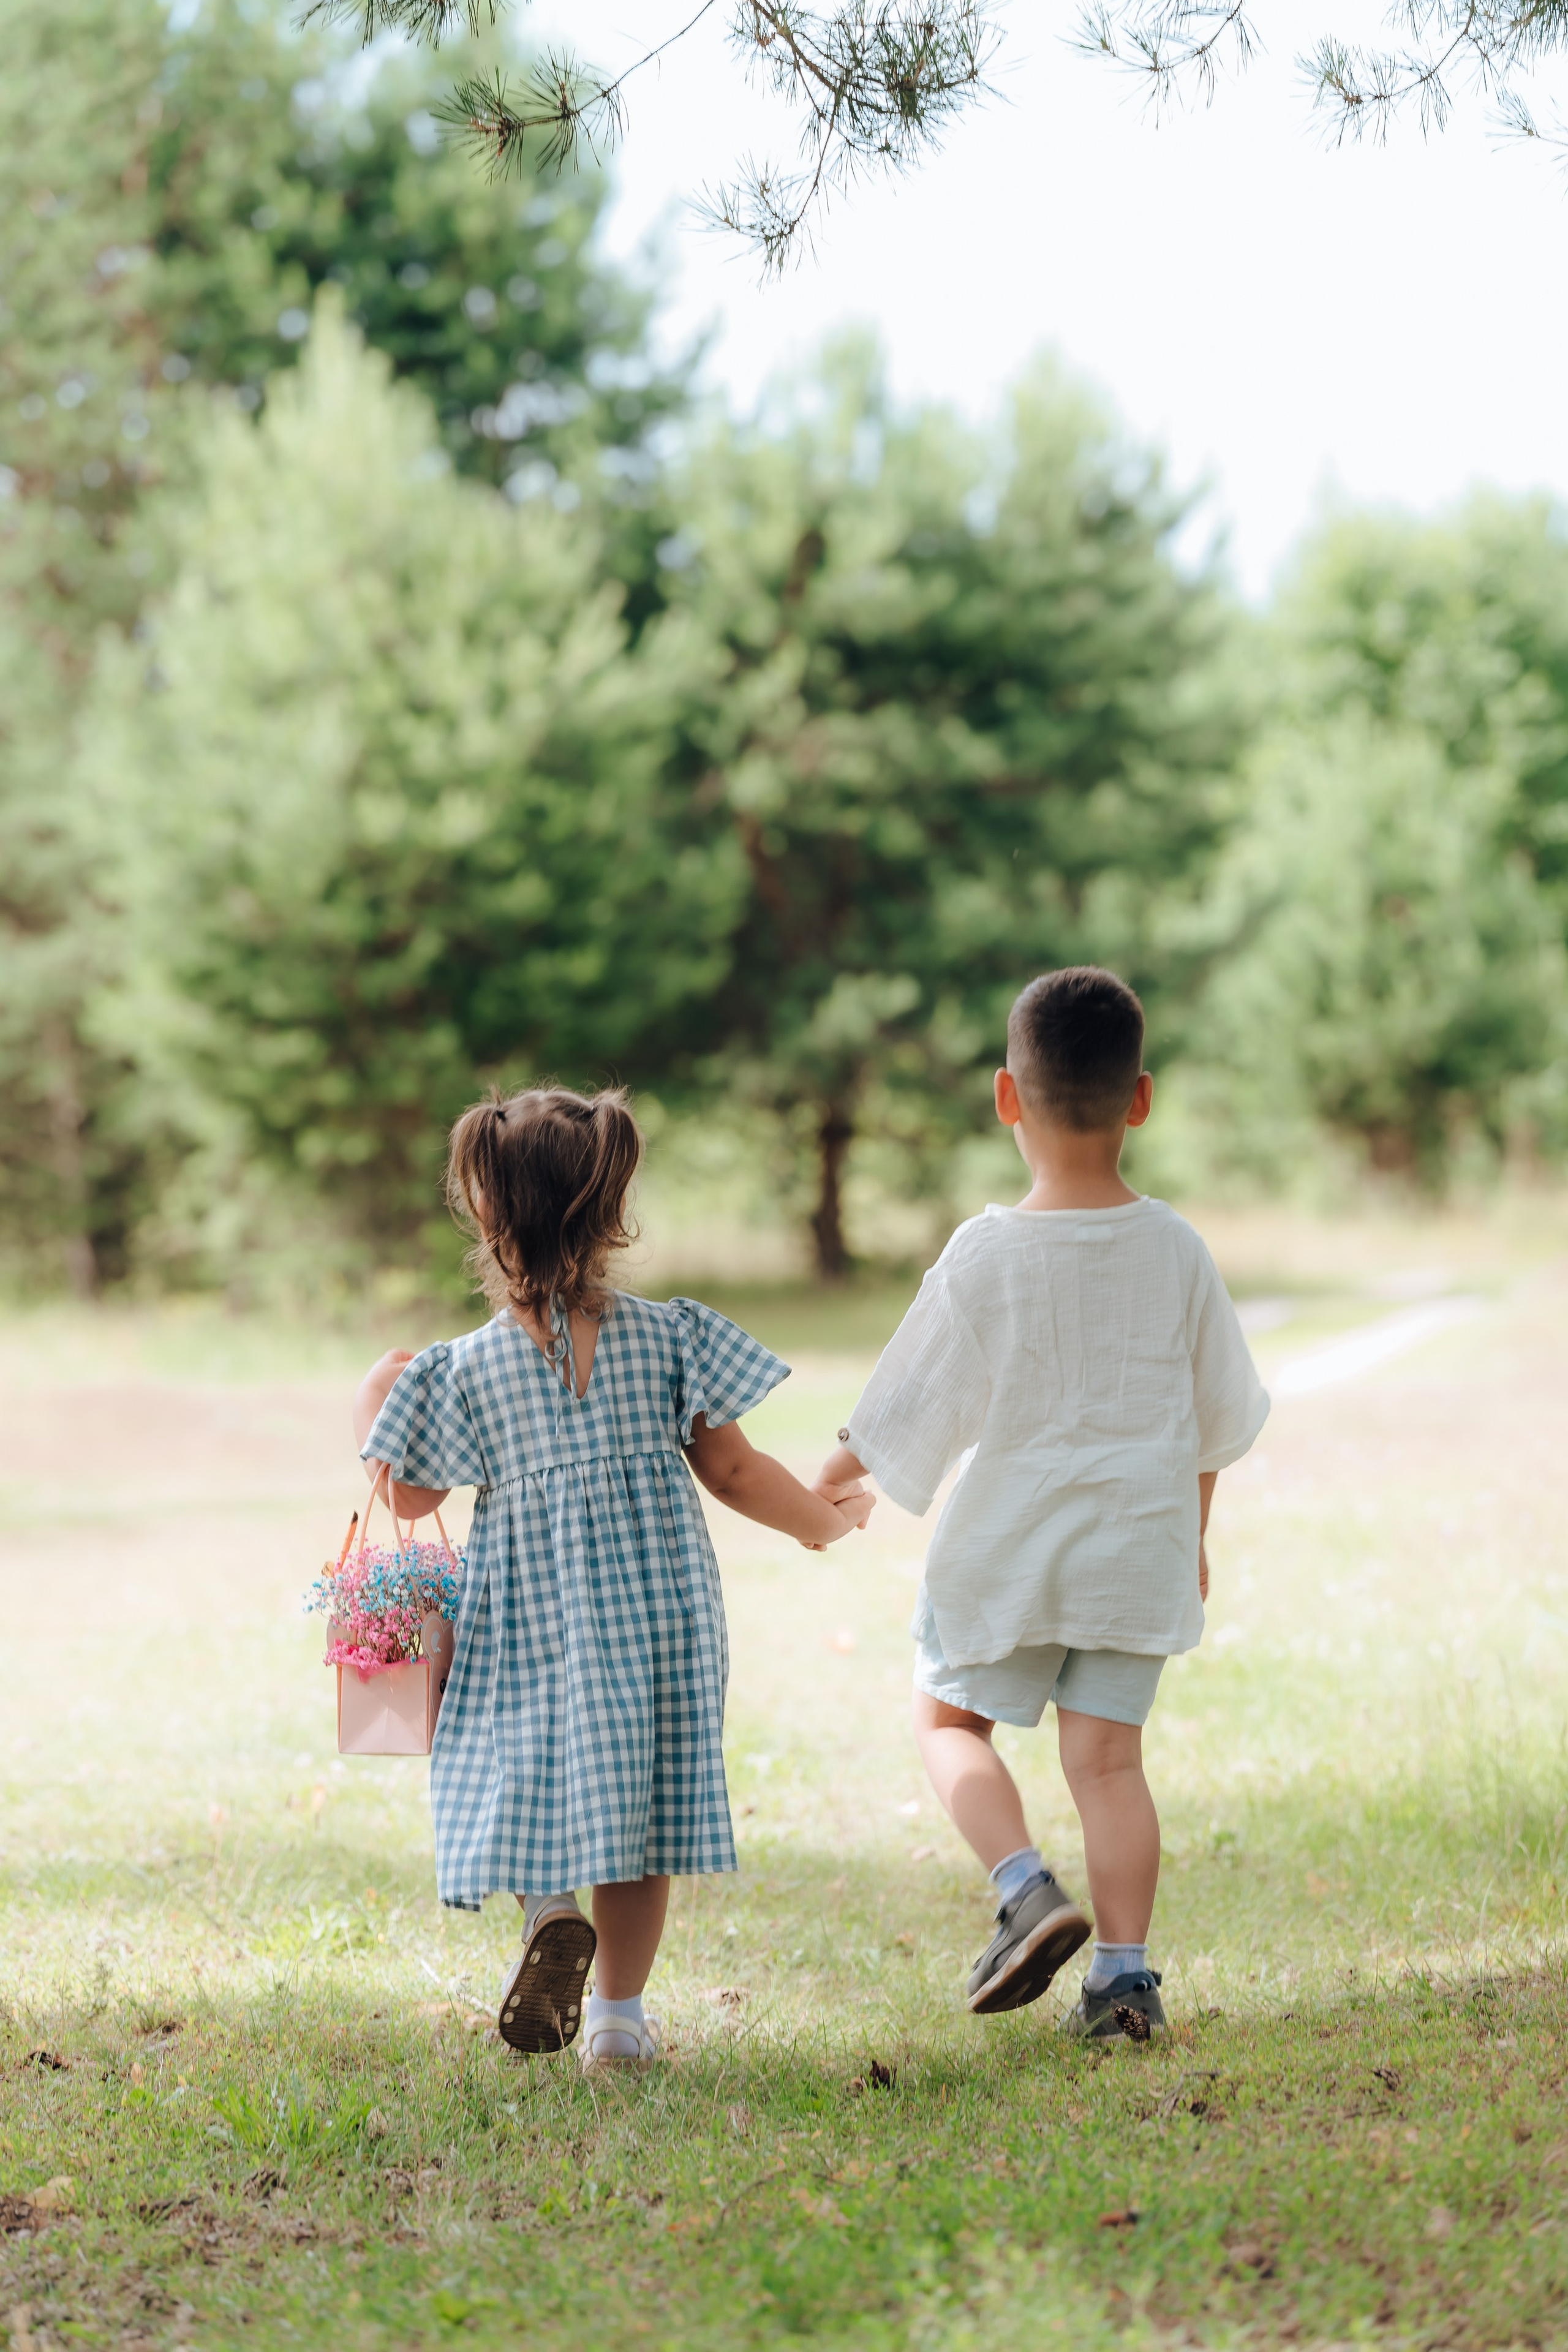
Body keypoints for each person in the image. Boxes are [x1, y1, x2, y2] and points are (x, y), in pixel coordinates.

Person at [353, 1084, 875, 2070]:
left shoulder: (460, 1370)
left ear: (487, 1213)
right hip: (655, 1620)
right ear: (611, 1209)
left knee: (515, 1773)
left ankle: (550, 1909)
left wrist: (369, 1408)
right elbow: (732, 1470)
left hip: (520, 1621)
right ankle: (619, 2023)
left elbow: (411, 1499)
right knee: (642, 1804)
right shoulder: (670, 1335)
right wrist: (820, 1525)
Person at [811, 968, 1268, 2040]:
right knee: (1109, 1763)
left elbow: (905, 1403)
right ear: (1140, 1100)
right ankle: (1123, 1983)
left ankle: (1022, 1888)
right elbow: (1216, 1418)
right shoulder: (1178, 1249)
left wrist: (831, 1481)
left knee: (947, 1719)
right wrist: (1190, 1534)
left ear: (1006, 1098)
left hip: (1006, 1556)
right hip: (1134, 1552)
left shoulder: (988, 1253)